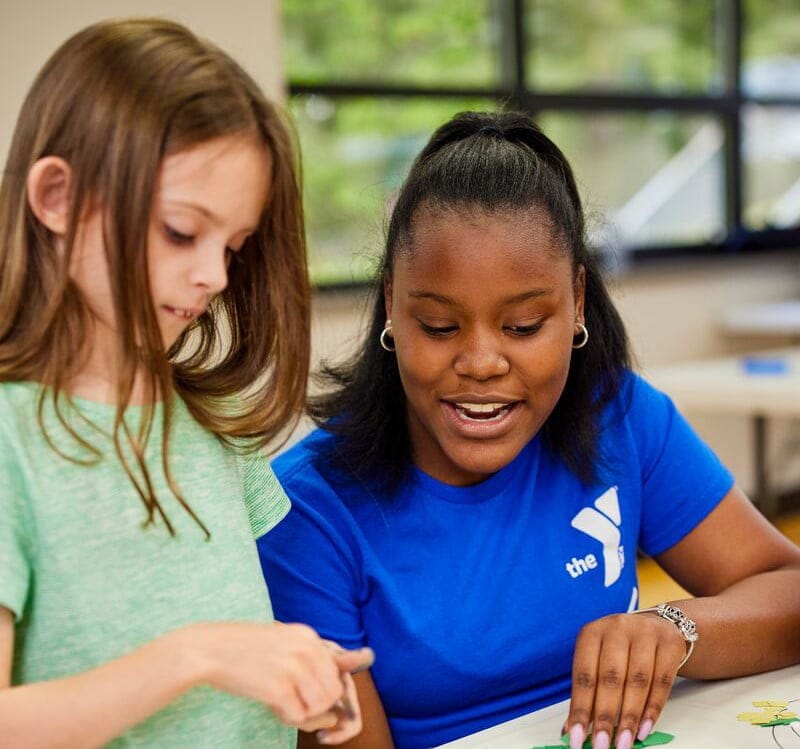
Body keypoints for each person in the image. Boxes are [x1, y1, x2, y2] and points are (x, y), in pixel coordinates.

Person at [258, 110, 800, 749]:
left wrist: (676, 628)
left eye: (521, 327)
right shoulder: (308, 509)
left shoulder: (619, 418)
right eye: (438, 326)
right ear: (392, 307)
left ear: (575, 303)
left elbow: (787, 591)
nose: (482, 363)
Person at [0, 18, 374, 748]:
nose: (215, 275)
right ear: (56, 197)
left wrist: (298, 677)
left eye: (234, 245)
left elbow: (244, 646)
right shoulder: (11, 438)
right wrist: (199, 655)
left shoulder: (212, 417)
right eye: (180, 231)